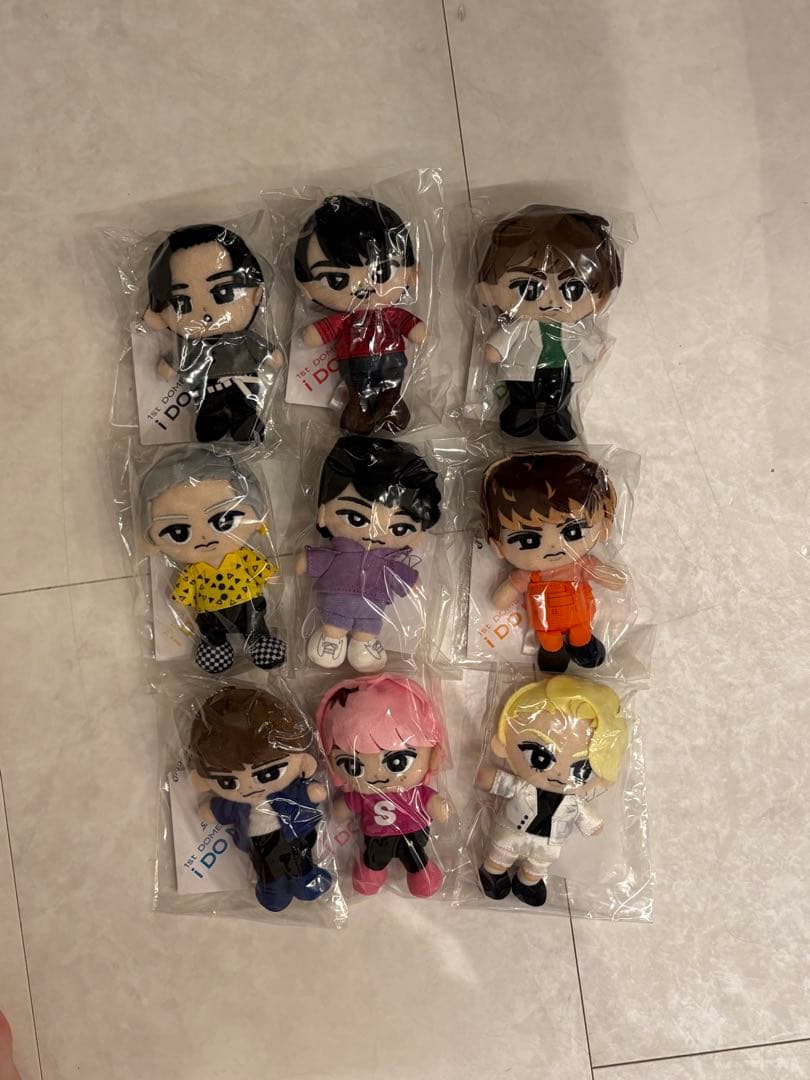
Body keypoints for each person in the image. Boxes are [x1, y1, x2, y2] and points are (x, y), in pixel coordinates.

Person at [476, 675, 627, 907]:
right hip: (512, 833)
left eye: (583, 769)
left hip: (547, 846)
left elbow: (588, 819)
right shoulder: (523, 786)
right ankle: (494, 871)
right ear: (503, 745)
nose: (559, 773)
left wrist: (594, 824)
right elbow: (502, 782)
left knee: (538, 865)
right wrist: (490, 778)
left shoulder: (574, 802)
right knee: (502, 852)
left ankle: (528, 882)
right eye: (540, 757)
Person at [298, 435, 441, 672]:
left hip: (371, 607)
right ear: (323, 514)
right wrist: (306, 559)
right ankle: (332, 639)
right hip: (337, 604)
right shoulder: (340, 553)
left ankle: (362, 644)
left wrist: (411, 581)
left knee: (368, 627)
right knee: (335, 624)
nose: (375, 534)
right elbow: (315, 560)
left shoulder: (388, 563)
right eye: (356, 518)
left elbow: (401, 576)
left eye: (399, 528)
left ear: (418, 536)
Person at [477, 205, 621, 440]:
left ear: (602, 297)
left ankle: (555, 416)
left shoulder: (573, 328)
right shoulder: (520, 325)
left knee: (558, 396)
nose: (552, 301)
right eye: (529, 288)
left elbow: (586, 343)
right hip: (522, 371)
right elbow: (499, 345)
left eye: (573, 289)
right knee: (522, 394)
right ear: (488, 290)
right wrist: (495, 349)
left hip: (561, 371)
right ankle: (522, 411)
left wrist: (597, 350)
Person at [140, 447, 286, 673]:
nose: (204, 538)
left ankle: (259, 641)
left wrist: (271, 576)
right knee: (211, 631)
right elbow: (180, 596)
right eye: (179, 532)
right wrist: (183, 611)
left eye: (224, 521)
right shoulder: (194, 571)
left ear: (257, 515)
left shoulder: (243, 556)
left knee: (254, 625)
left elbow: (263, 569)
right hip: (211, 613)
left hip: (247, 605)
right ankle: (215, 646)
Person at [190, 686, 332, 912]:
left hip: (292, 835)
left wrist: (310, 792)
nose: (249, 787)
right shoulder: (235, 805)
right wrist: (211, 809)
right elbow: (218, 809)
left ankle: (305, 877)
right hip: (260, 845)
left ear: (301, 759)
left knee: (298, 858)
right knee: (267, 868)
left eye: (269, 773)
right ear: (204, 780)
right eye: (229, 782)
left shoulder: (286, 793)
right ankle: (272, 889)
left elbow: (305, 794)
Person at [482, 451, 626, 672]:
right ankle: (553, 653)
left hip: (580, 618)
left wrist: (613, 577)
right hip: (546, 625)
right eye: (528, 540)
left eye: (572, 532)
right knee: (549, 641)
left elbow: (614, 580)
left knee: (581, 633)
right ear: (498, 546)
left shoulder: (580, 564)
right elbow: (501, 599)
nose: (552, 547)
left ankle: (582, 645)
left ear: (604, 527)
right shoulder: (529, 575)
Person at [295, 195, 425, 434]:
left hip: (389, 357)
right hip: (356, 360)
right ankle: (359, 406)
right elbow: (324, 330)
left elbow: (409, 324)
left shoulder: (391, 315)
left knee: (391, 382)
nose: (363, 287)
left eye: (382, 271)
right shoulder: (346, 318)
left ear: (412, 272)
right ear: (307, 287)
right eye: (336, 279)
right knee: (358, 387)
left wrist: (417, 329)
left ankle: (390, 401)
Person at [144, 223, 283, 442]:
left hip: (243, 384)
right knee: (209, 414)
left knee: (244, 408)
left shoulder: (243, 338)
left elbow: (262, 349)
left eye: (223, 291)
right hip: (208, 389)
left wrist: (270, 354)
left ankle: (245, 423)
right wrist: (170, 365)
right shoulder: (193, 345)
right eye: (182, 302)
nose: (205, 311)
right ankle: (212, 424)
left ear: (257, 293)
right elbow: (177, 359)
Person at [317, 674, 449, 898]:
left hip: (412, 835)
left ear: (433, 754)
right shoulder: (363, 795)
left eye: (397, 761)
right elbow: (341, 810)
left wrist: (439, 805)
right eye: (353, 766)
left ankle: (422, 874)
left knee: (415, 857)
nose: (377, 774)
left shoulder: (414, 791)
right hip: (377, 839)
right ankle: (371, 874)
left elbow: (432, 802)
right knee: (374, 859)